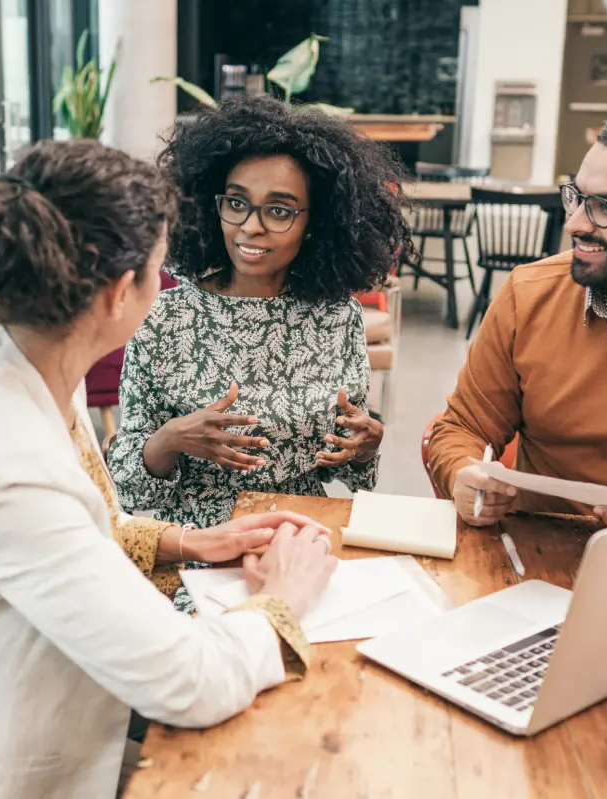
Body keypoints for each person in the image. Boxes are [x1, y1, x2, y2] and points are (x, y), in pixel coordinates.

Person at [0, 140, 338, 799]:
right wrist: (283, 599)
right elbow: (187, 682)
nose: (164, 286)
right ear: (116, 294)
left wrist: (184, 540)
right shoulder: (2, 466)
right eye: (159, 269)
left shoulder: (24, 354)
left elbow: (79, 519)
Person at [107, 96, 411, 541]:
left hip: (303, 530)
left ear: (314, 223)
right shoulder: (165, 318)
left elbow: (352, 472)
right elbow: (127, 486)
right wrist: (171, 438)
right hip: (199, 541)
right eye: (236, 203)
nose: (250, 226)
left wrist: (366, 447)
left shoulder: (336, 317)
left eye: (279, 210)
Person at [428, 114, 607, 528]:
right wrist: (461, 474)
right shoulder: (529, 294)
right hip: (535, 554)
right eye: (576, 196)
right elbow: (461, 428)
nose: (574, 223)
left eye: (603, 208)